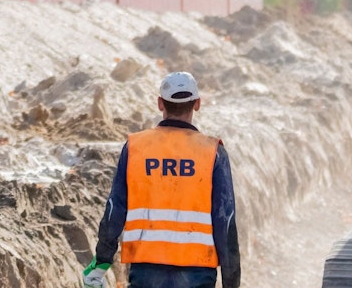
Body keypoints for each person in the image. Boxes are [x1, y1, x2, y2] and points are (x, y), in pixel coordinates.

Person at [83, 71, 240, 288]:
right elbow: (226, 220)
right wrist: (231, 282)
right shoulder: (213, 153)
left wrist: (102, 260)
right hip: (197, 272)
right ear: (197, 104)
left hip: (146, 270)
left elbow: (115, 208)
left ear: (160, 103)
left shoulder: (136, 148)